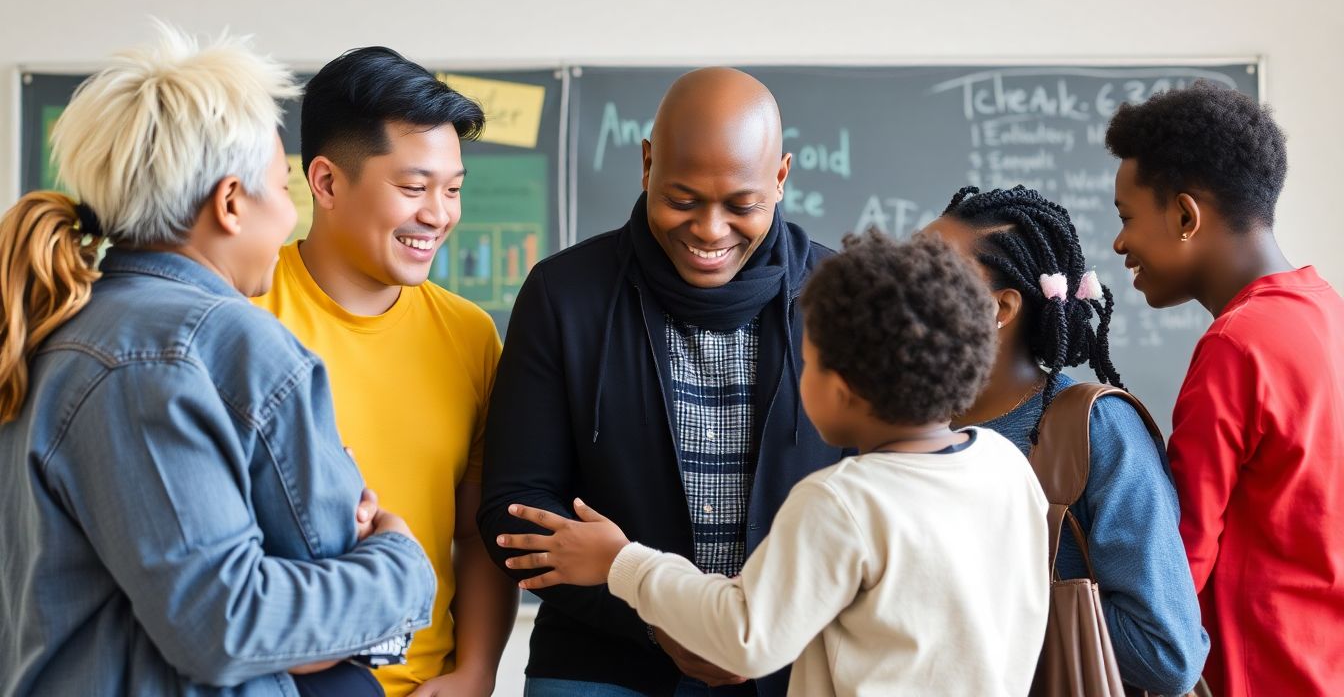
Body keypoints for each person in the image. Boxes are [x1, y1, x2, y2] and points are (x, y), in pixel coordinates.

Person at [0, 25, 433, 697]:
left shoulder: (51, 328)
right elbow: (241, 620)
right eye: (282, 188)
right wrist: (401, 558)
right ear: (231, 203)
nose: (291, 214)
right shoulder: (222, 344)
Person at [495, 231, 1051, 697]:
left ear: (841, 387)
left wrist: (624, 562)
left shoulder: (841, 501)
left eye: (806, 362)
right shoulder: (1005, 464)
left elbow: (745, 634)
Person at [477, 67, 846, 696]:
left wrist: (755, 630)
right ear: (647, 164)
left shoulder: (842, 299)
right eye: (683, 199)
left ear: (780, 179)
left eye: (741, 204)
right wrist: (660, 622)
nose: (709, 229)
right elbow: (515, 505)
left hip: (797, 662)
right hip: (603, 657)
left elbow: (886, 487)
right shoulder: (564, 295)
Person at [253, 47, 516, 697]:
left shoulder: (470, 335)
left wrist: (475, 671)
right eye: (413, 187)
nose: (439, 214)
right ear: (326, 182)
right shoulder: (246, 315)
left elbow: (478, 530)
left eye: (452, 189)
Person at [1106, 80, 1344, 697]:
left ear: (1186, 216)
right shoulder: (1328, 313)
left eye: (1128, 217)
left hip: (1258, 676)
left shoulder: (1237, 347)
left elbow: (1175, 566)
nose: (1120, 243)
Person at [924, 185, 1208, 694]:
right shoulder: (901, 428)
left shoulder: (1096, 428)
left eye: (927, 279)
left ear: (1000, 308)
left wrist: (983, 599)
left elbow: (1166, 653)